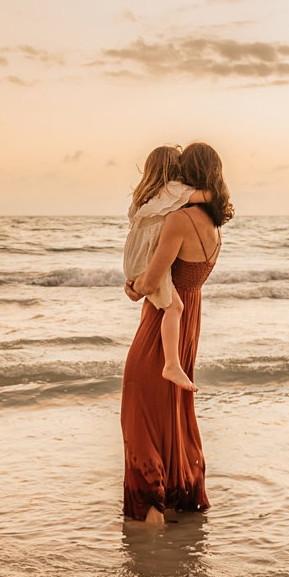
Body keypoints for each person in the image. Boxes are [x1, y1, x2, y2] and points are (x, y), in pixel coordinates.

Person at [120, 141, 232, 526]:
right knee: (172, 410)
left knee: (139, 405)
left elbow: (152, 281)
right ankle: (177, 496)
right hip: (189, 320)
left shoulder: (178, 220)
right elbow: (189, 280)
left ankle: (149, 508)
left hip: (161, 320)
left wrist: (134, 287)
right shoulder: (214, 224)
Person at [123, 145, 211, 393]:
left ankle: (171, 364)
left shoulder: (143, 195)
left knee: (162, 303)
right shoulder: (173, 190)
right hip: (148, 257)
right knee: (175, 306)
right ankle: (172, 364)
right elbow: (208, 196)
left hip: (133, 258)